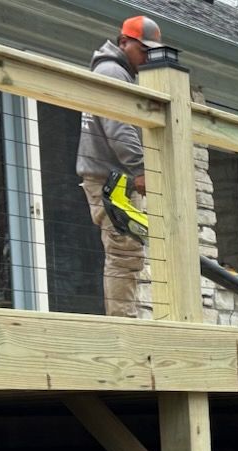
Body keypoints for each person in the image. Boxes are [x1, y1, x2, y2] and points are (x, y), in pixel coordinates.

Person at [76, 16, 168, 317]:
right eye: (144, 50)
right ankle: (124, 327)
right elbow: (119, 129)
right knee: (124, 252)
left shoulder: (115, 72)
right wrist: (141, 169)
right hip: (112, 180)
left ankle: (125, 321)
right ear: (124, 42)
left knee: (127, 251)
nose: (147, 57)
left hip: (113, 178)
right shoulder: (113, 72)